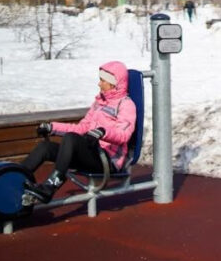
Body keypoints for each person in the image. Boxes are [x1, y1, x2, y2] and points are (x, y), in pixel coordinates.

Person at [21, 61, 136, 204]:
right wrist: (52, 127)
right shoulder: (99, 102)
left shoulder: (126, 104)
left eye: (102, 80)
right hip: (92, 153)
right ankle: (13, 176)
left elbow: (124, 135)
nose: (99, 84)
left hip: (107, 159)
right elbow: (81, 128)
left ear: (114, 83)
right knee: (45, 148)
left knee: (71, 139)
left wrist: (103, 132)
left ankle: (52, 185)